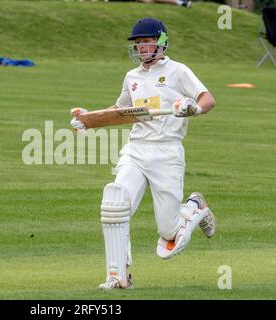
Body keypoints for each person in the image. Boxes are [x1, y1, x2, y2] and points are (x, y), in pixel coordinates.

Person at [70, 17, 217, 289]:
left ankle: (195, 207)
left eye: (146, 42)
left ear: (160, 42)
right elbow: (121, 112)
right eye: (138, 44)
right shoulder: (132, 77)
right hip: (136, 150)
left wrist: (192, 107)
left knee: (169, 237)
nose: (141, 48)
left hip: (167, 152)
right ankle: (118, 277)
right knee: (115, 205)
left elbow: (207, 99)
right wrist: (88, 119)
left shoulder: (178, 71)